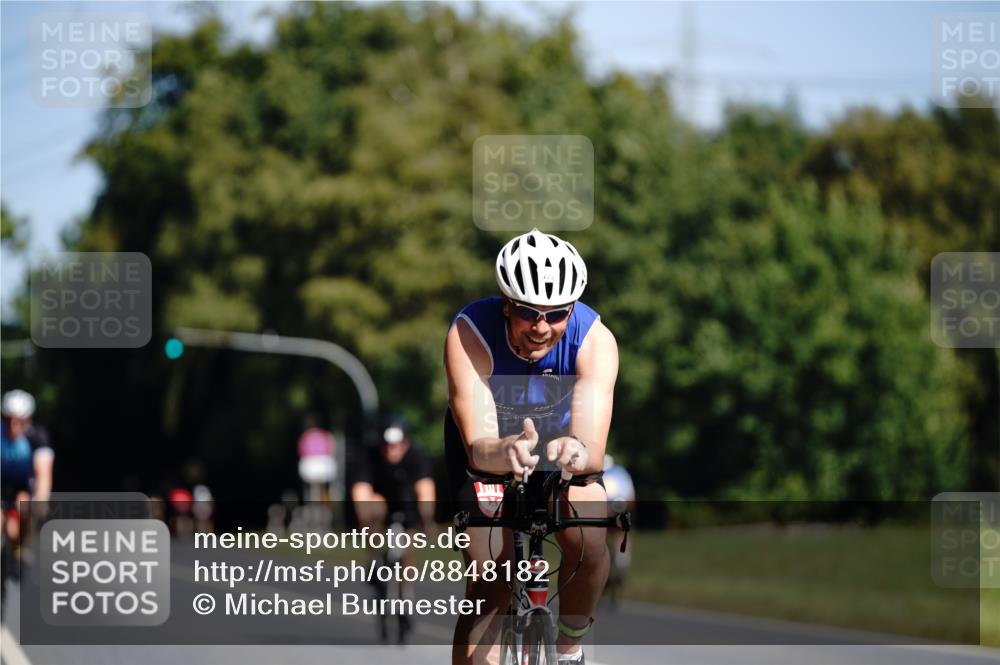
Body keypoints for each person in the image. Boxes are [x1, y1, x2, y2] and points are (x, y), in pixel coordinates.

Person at [444, 229, 619, 665]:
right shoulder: (470, 333)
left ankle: (569, 647)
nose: (541, 328)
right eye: (528, 312)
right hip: (487, 458)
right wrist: (504, 452)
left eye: (556, 314)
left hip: (562, 454)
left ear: (572, 309)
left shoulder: (595, 341)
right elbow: (479, 445)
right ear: (507, 304)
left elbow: (591, 447)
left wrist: (573, 452)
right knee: (490, 580)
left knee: (592, 530)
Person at [349, 415, 436, 638]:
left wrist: (427, 519)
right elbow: (360, 491)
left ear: (405, 442)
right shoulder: (368, 456)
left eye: (397, 445)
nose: (392, 450)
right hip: (379, 506)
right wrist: (364, 524)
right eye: (387, 444)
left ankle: (406, 596)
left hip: (407, 506)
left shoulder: (416, 456)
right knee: (374, 507)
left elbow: (425, 488)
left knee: (408, 549)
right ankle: (375, 558)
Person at [1, 390, 54, 545]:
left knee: (24, 508)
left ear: (28, 420)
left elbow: (44, 477)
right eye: (9, 420)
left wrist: (40, 502)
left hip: (23, 487)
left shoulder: (37, 437)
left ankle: (20, 551)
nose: (13, 426)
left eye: (20, 422)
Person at [601, 454, 635, 607]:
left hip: (607, 510)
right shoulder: (620, 472)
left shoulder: (602, 474)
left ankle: (616, 562)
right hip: (618, 508)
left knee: (606, 538)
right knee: (619, 536)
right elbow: (630, 496)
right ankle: (621, 560)